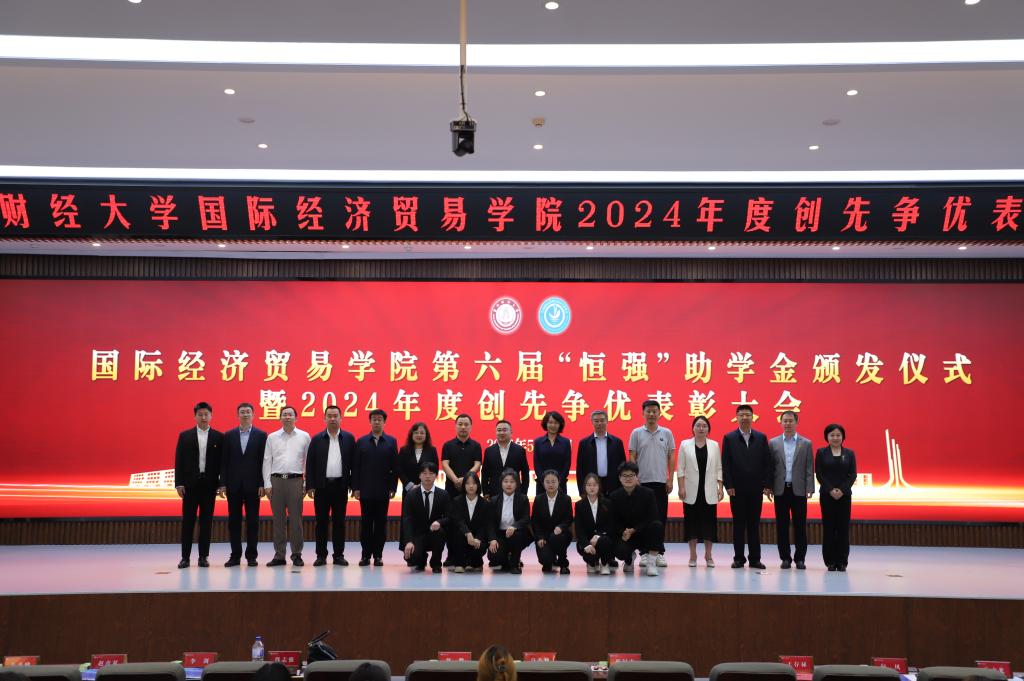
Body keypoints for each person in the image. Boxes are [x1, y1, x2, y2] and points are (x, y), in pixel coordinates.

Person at [721, 404, 771, 570]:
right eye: (741, 414)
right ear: (736, 417)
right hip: (736, 489)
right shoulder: (729, 438)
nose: (744, 417)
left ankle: (755, 559)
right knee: (738, 524)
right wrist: (728, 485)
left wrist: (767, 485)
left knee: (754, 524)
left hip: (756, 489)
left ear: (752, 417)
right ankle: (739, 559)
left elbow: (767, 463)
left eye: (747, 414)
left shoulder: (761, 437)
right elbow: (725, 464)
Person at [174, 401, 223, 568]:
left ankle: (203, 557)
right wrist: (179, 483)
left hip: (209, 486)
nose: (203, 417)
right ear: (195, 416)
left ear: (211, 416)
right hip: (190, 486)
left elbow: (222, 464)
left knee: (206, 522)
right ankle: (185, 557)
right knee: (188, 522)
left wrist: (221, 484)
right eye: (200, 414)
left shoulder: (219, 437)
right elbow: (179, 461)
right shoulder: (185, 436)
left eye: (206, 414)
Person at [305, 405, 356, 567]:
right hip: (322, 487)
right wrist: (310, 486)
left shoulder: (349, 438)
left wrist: (353, 485)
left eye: (335, 416)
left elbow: (354, 464)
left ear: (341, 418)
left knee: (339, 522)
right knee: (321, 522)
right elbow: (310, 464)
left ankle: (338, 555)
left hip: (341, 486)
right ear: (324, 418)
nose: (332, 418)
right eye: (329, 416)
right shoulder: (317, 439)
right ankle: (321, 555)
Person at [218, 401, 267, 567]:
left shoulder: (261, 435)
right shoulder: (229, 435)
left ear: (253, 415)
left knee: (253, 522)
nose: (245, 414)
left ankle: (251, 556)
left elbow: (264, 462)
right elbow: (224, 462)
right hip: (233, 485)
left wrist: (262, 483)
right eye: (242, 412)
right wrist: (222, 483)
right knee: (234, 522)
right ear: (237, 415)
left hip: (254, 486)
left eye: (248, 412)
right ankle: (235, 556)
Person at [628, 400, 675, 567]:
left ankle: (659, 552)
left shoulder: (667, 433)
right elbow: (632, 456)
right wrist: (634, 478)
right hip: (642, 483)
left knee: (660, 518)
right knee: (642, 519)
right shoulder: (636, 433)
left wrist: (670, 478)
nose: (651, 414)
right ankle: (644, 553)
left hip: (661, 482)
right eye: (648, 411)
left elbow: (671, 456)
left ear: (659, 413)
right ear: (643, 413)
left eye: (655, 411)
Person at [262, 405, 311, 567]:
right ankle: (279, 555)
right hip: (276, 481)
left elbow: (308, 461)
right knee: (278, 520)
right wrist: (267, 483)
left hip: (296, 481)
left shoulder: (304, 436)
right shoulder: (272, 437)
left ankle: (297, 554)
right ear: (280, 418)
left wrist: (306, 482)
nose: (287, 417)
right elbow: (267, 461)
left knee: (296, 520)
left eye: (290, 414)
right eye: (284, 414)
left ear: (296, 418)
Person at [352, 409, 399, 566]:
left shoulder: (391, 441)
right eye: (374, 419)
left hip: (383, 491)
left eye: (379, 419)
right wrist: (356, 487)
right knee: (366, 524)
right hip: (365, 490)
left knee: (380, 525)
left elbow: (395, 467)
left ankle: (378, 556)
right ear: (370, 421)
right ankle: (365, 556)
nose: (377, 422)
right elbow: (356, 467)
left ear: (384, 422)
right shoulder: (361, 441)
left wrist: (393, 487)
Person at [769, 410, 815, 569]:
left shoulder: (806, 443)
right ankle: (785, 558)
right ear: (781, 423)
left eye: (790, 421)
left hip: (799, 490)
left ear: (796, 422)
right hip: (780, 490)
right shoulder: (773, 443)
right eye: (785, 421)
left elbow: (809, 467)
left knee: (800, 526)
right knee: (781, 526)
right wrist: (768, 487)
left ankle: (800, 558)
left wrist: (810, 487)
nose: (787, 423)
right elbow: (770, 468)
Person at [676, 415, 723, 567]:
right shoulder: (685, 445)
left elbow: (719, 468)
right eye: (698, 425)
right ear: (693, 428)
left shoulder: (714, 445)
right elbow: (681, 468)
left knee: (709, 524)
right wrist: (681, 487)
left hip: (709, 490)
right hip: (690, 491)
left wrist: (720, 487)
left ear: (708, 429)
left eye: (704, 426)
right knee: (691, 524)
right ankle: (693, 555)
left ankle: (708, 555)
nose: (701, 428)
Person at [608, 461, 663, 576]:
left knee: (657, 525)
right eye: (625, 476)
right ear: (620, 478)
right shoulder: (614, 496)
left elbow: (653, 516)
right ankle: (629, 559)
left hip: (643, 533)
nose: (628, 478)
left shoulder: (648, 493)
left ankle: (651, 563)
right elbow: (613, 521)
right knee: (620, 551)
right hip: (626, 536)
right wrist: (623, 532)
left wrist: (634, 530)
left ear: (637, 477)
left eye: (631, 475)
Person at [816, 423, 857, 572]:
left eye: (838, 435)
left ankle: (842, 561)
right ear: (827, 437)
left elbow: (852, 474)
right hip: (827, 496)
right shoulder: (821, 452)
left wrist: (842, 490)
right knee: (829, 528)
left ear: (843, 437)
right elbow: (819, 473)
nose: (835, 438)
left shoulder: (849, 453)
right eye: (832, 435)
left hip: (844, 496)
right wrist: (830, 490)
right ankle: (830, 561)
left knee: (843, 529)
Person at [401, 461, 451, 573]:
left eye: (431, 473)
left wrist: (439, 522)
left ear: (436, 475)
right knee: (411, 558)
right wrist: (409, 541)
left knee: (440, 532)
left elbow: (449, 517)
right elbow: (407, 520)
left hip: (435, 533)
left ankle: (436, 563)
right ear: (419, 475)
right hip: (418, 535)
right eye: (424, 473)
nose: (427, 476)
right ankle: (421, 559)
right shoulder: (411, 495)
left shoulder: (443, 494)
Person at [448, 471, 494, 573]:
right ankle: (459, 564)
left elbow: (485, 525)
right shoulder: (457, 501)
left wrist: (478, 538)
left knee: (479, 547)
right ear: (464, 485)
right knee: (457, 534)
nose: (471, 486)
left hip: (478, 538)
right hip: (462, 536)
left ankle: (476, 562)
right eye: (468, 483)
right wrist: (467, 533)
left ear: (478, 485)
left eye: (474, 483)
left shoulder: (485, 503)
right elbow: (458, 520)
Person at [488, 469, 532, 574]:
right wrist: (492, 539)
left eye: (512, 481)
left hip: (517, 533)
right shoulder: (494, 500)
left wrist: (514, 526)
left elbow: (526, 518)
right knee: (494, 557)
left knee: (517, 536)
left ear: (516, 484)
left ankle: (515, 563)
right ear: (501, 483)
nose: (509, 484)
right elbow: (490, 523)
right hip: (500, 534)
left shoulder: (523, 499)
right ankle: (507, 559)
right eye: (506, 481)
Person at [576, 409, 627, 497]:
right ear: (592, 422)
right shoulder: (584, 443)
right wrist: (582, 491)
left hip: (612, 484)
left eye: (602, 420)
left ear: (607, 421)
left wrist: (622, 487)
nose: (599, 423)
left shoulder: (617, 442)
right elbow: (580, 469)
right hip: (592, 484)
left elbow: (622, 466)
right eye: (596, 421)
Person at [531, 469, 574, 574]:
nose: (550, 484)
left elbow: (568, 519)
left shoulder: (566, 499)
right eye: (547, 482)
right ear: (543, 483)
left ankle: (563, 563)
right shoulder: (538, 499)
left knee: (557, 538)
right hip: (544, 536)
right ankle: (550, 561)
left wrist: (561, 527)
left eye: (553, 481)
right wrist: (540, 537)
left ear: (559, 482)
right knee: (545, 559)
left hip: (561, 534)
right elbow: (535, 521)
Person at [575, 472, 615, 574]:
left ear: (599, 486)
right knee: (589, 556)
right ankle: (592, 563)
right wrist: (587, 545)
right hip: (587, 541)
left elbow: (611, 526)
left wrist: (598, 536)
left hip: (603, 539)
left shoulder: (607, 503)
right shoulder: (579, 505)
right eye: (589, 485)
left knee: (605, 541)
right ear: (585, 487)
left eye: (594, 485)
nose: (592, 488)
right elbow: (579, 529)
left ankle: (604, 563)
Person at [481, 420, 530, 500]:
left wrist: (523, 493)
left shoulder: (520, 450)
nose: (501, 433)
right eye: (499, 430)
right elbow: (485, 473)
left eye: (505, 430)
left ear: (511, 432)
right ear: (496, 432)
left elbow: (525, 473)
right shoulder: (489, 451)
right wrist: (485, 492)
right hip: (494, 494)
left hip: (515, 493)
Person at [441, 413, 483, 498]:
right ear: (455, 426)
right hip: (452, 486)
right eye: (460, 424)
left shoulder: (476, 446)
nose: (463, 427)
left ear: (471, 427)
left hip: (471, 487)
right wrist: (456, 480)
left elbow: (477, 465)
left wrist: (465, 479)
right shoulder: (448, 445)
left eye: (466, 424)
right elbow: (445, 464)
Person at [533, 411, 571, 495]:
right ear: (546, 424)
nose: (553, 425)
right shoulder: (538, 442)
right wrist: (544, 482)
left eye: (556, 423)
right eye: (550, 422)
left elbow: (567, 464)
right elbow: (537, 464)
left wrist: (558, 482)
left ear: (560, 425)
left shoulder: (565, 442)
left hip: (560, 484)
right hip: (542, 485)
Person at [397, 422, 439, 495]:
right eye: (416, 433)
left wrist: (423, 485)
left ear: (426, 435)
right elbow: (399, 469)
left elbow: (435, 469)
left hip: (427, 488)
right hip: (408, 490)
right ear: (411, 435)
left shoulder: (432, 450)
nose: (419, 435)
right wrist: (410, 485)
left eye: (422, 433)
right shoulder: (404, 450)